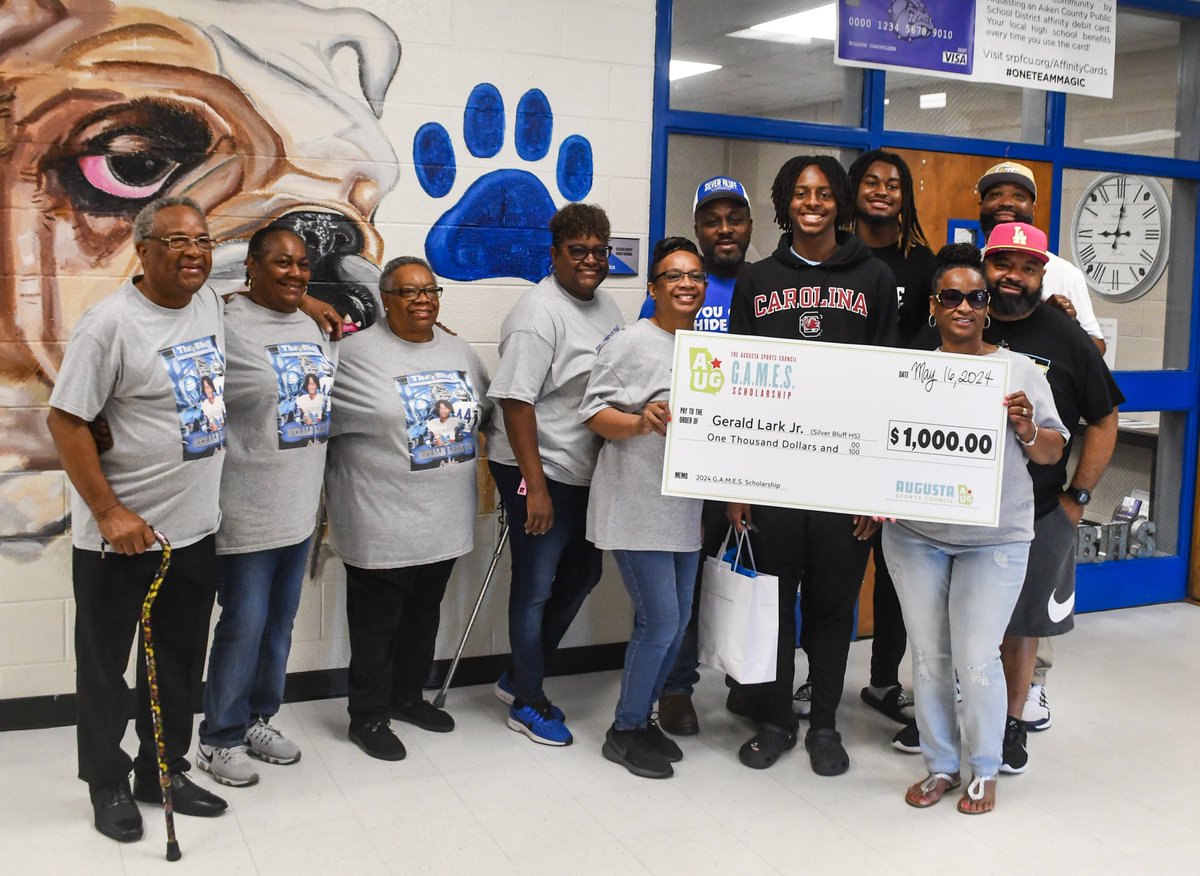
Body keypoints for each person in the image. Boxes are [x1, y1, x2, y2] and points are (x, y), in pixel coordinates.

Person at [47, 197, 230, 842]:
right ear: (143, 249)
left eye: (203, 241)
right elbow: (65, 422)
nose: (194, 253)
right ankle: (106, 783)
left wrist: (316, 306)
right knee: (105, 665)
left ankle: (163, 770)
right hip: (118, 539)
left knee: (178, 660)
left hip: (194, 530)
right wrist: (109, 511)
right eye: (178, 241)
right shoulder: (111, 325)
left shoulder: (208, 304)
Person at [726, 154, 898, 776]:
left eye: (825, 192)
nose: (813, 202)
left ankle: (825, 724)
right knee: (773, 604)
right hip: (774, 477)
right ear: (784, 202)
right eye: (801, 193)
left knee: (832, 609)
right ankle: (775, 719)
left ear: (840, 201)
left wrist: (874, 488)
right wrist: (736, 485)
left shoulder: (874, 278)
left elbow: (886, 385)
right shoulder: (755, 280)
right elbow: (738, 389)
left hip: (843, 480)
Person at [885, 241, 1068, 815]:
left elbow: (1053, 451)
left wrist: (1024, 427)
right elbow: (880, 441)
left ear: (988, 306)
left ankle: (983, 768)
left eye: (975, 297)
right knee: (930, 657)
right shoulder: (909, 369)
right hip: (916, 533)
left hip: (995, 539)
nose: (964, 306)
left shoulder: (1018, 372)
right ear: (934, 307)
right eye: (951, 297)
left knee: (975, 655)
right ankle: (941, 765)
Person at [325, 256, 491, 760]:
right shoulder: (349, 354)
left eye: (429, 290)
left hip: (443, 519)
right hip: (378, 519)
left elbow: (486, 411)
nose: (422, 299)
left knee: (423, 616)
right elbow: (308, 419)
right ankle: (368, 716)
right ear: (385, 299)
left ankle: (407, 696)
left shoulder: (460, 351)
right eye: (407, 291)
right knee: (376, 625)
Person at [977, 224, 1123, 773]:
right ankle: (947, 720)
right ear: (985, 265)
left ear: (1043, 273)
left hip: (1036, 511)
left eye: (1028, 266)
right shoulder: (959, 318)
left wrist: (1079, 496)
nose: (1014, 275)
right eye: (1003, 263)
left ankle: (1012, 725)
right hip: (958, 510)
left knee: (1022, 626)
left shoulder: (1067, 337)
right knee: (955, 624)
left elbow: (1105, 420)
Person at [196, 226, 336, 787]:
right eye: (281, 263)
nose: (295, 273)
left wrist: (309, 299)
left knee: (279, 625)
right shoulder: (222, 322)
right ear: (250, 265)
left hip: (300, 506)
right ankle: (218, 737)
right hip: (245, 506)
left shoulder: (312, 324)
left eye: (302, 264)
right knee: (244, 623)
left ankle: (257, 719)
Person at [486, 203, 624, 746]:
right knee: (536, 584)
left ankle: (521, 672)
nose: (589, 260)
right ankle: (528, 701)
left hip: (584, 467)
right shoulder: (537, 314)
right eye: (577, 251)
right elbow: (516, 403)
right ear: (555, 254)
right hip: (535, 466)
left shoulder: (609, 305)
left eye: (598, 250)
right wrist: (535, 486)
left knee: (584, 574)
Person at [584, 237, 707, 778]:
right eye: (673, 275)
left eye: (695, 275)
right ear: (653, 287)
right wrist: (639, 422)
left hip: (683, 509)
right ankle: (625, 728)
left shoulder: (709, 349)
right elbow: (593, 414)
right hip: (634, 505)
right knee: (658, 620)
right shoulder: (631, 343)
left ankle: (646, 718)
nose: (686, 283)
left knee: (677, 626)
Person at [642, 175, 754, 737]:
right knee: (683, 583)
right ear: (698, 229)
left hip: (750, 460)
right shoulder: (671, 291)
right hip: (683, 466)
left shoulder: (765, 287)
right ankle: (676, 687)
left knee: (746, 570)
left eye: (735, 217)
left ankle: (747, 678)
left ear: (750, 226)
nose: (725, 228)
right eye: (713, 219)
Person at [842, 149, 937, 739]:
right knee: (841, 559)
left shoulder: (924, 267)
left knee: (898, 567)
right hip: (846, 433)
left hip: (904, 437)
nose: (881, 191)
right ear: (854, 192)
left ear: (905, 198)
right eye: (871, 183)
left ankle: (883, 680)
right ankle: (818, 673)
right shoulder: (839, 262)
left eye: (893, 185)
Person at [977, 161, 1106, 356]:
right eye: (995, 194)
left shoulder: (1066, 273)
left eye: (1019, 196)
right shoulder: (965, 269)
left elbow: (1096, 347)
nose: (1006, 202)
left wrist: (1057, 322)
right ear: (981, 206)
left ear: (1033, 209)